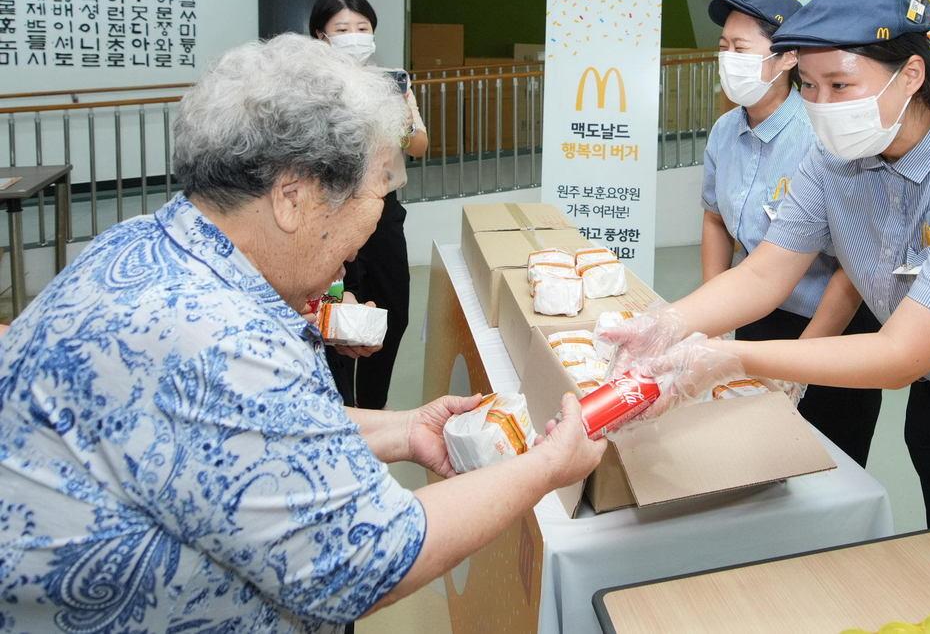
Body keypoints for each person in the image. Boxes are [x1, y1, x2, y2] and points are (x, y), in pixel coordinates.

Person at [0, 35, 603, 631]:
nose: (376, 220)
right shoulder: (220, 338)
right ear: (294, 196)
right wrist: (546, 467)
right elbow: (370, 559)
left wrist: (401, 427)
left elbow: (243, 435)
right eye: (377, 191)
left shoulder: (140, 247)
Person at [608, 0, 930, 602]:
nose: (822, 105)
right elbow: (766, 271)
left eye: (841, 85)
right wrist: (670, 323)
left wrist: (730, 356)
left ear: (910, 74)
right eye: (811, 87)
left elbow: (899, 354)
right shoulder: (833, 158)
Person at [704, 0, 881, 465]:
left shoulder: (822, 137)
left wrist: (801, 364)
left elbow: (853, 266)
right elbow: (715, 217)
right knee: (754, 457)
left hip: (831, 326)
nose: (727, 59)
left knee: (825, 468)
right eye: (723, 48)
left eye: (741, 49)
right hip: (757, 311)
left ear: (786, 60)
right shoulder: (725, 131)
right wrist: (714, 316)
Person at [309, 0, 426, 409]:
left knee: (392, 313)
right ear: (322, 36)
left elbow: (419, 145)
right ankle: (341, 408)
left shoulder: (391, 82)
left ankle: (373, 409)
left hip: (383, 211)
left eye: (363, 28)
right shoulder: (308, 86)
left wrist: (395, 115)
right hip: (330, 213)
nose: (355, 36)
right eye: (343, 29)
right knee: (335, 316)